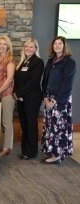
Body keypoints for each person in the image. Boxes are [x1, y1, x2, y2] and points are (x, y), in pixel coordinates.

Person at [40, 36, 76, 164]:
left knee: (58, 128)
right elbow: (45, 81)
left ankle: (57, 155)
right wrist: (44, 98)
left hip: (61, 101)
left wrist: (54, 101)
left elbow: (67, 84)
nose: (57, 46)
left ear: (65, 46)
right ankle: (51, 150)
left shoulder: (69, 62)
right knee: (50, 127)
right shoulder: (51, 61)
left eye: (60, 43)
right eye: (55, 43)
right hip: (48, 99)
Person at [14, 38, 44, 160]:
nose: (28, 49)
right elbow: (18, 80)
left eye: (31, 47)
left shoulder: (38, 62)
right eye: (26, 46)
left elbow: (33, 81)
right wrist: (18, 94)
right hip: (21, 98)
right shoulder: (23, 62)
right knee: (24, 124)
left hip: (32, 99)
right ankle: (25, 150)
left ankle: (31, 152)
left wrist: (18, 93)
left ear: (36, 49)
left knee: (30, 125)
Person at [0, 35, 16, 157]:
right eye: (0, 43)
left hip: (6, 94)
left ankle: (7, 148)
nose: (1, 46)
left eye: (4, 44)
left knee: (6, 122)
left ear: (8, 46)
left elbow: (9, 78)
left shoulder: (10, 60)